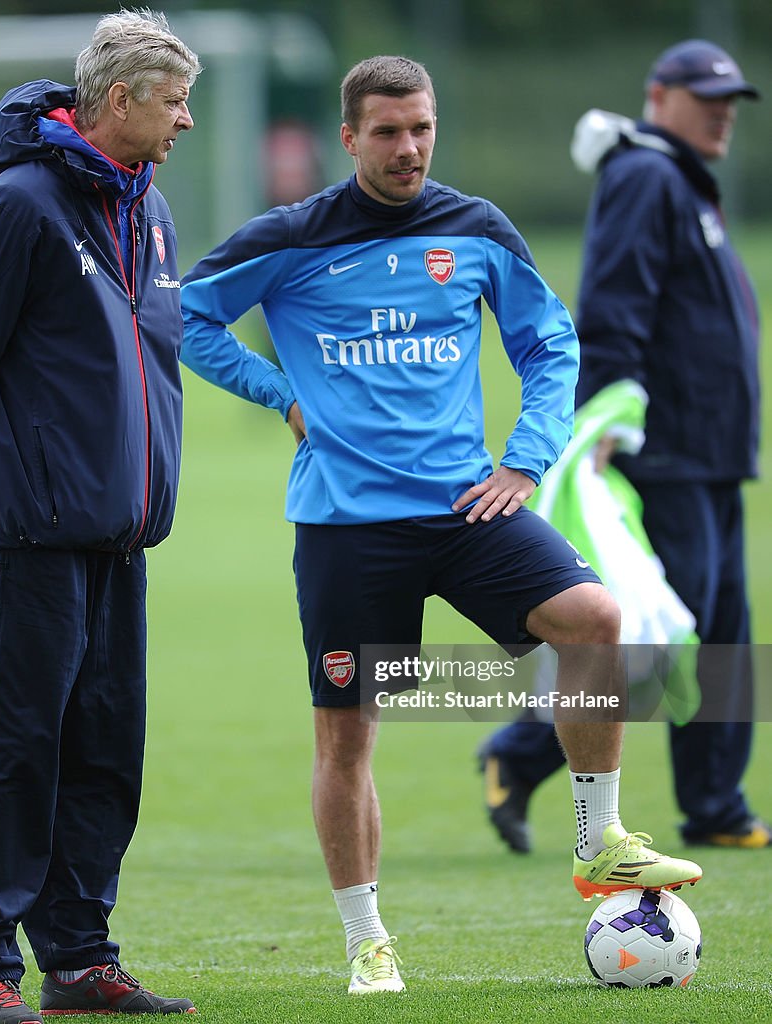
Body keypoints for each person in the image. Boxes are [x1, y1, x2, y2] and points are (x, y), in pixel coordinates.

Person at [176, 55, 703, 995]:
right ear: (349, 138)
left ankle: (599, 843)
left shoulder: (474, 228)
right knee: (347, 735)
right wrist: (279, 395)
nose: (407, 148)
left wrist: (525, 460)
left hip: (469, 506)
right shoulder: (291, 236)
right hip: (345, 524)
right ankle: (366, 940)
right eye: (386, 131)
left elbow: (549, 344)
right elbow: (185, 318)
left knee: (593, 620)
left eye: (420, 127)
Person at [0, 10, 201, 1023]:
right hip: (35, 531)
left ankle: (79, 957)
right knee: (17, 747)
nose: (187, 121)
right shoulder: (20, 208)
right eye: (173, 101)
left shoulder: (149, 212)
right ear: (119, 100)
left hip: (122, 533)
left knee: (108, 750)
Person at [480, 39, 769, 855]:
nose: (721, 111)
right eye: (705, 95)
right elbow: (611, 305)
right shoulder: (646, 175)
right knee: (652, 636)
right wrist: (605, 421)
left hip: (708, 454)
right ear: (657, 96)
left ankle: (714, 803)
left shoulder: (681, 181)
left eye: (730, 100)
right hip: (662, 453)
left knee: (714, 635)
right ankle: (520, 751)